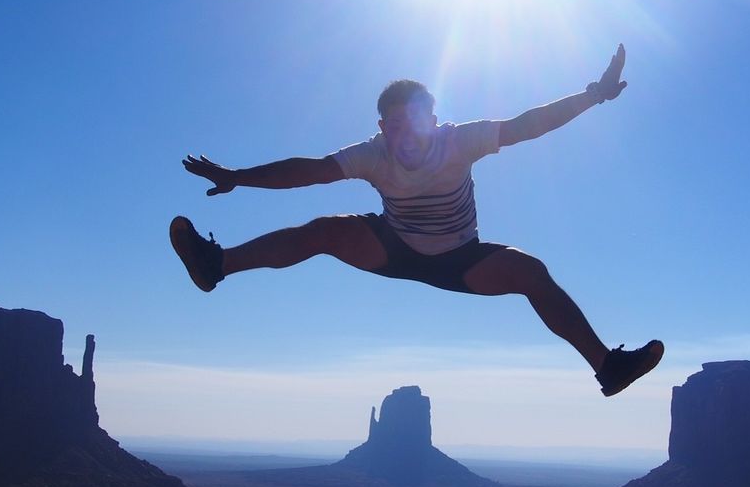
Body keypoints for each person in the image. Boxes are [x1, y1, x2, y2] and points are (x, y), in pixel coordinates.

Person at [170, 44, 662, 397]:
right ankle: (216, 265)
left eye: (416, 119)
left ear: (433, 116)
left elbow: (526, 125)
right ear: (383, 127)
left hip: (460, 259)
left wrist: (593, 94)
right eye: (396, 124)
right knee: (325, 230)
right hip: (393, 246)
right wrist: (238, 176)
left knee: (531, 272)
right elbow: (311, 171)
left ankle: (608, 366)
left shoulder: (460, 140)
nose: (407, 132)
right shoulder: (372, 155)